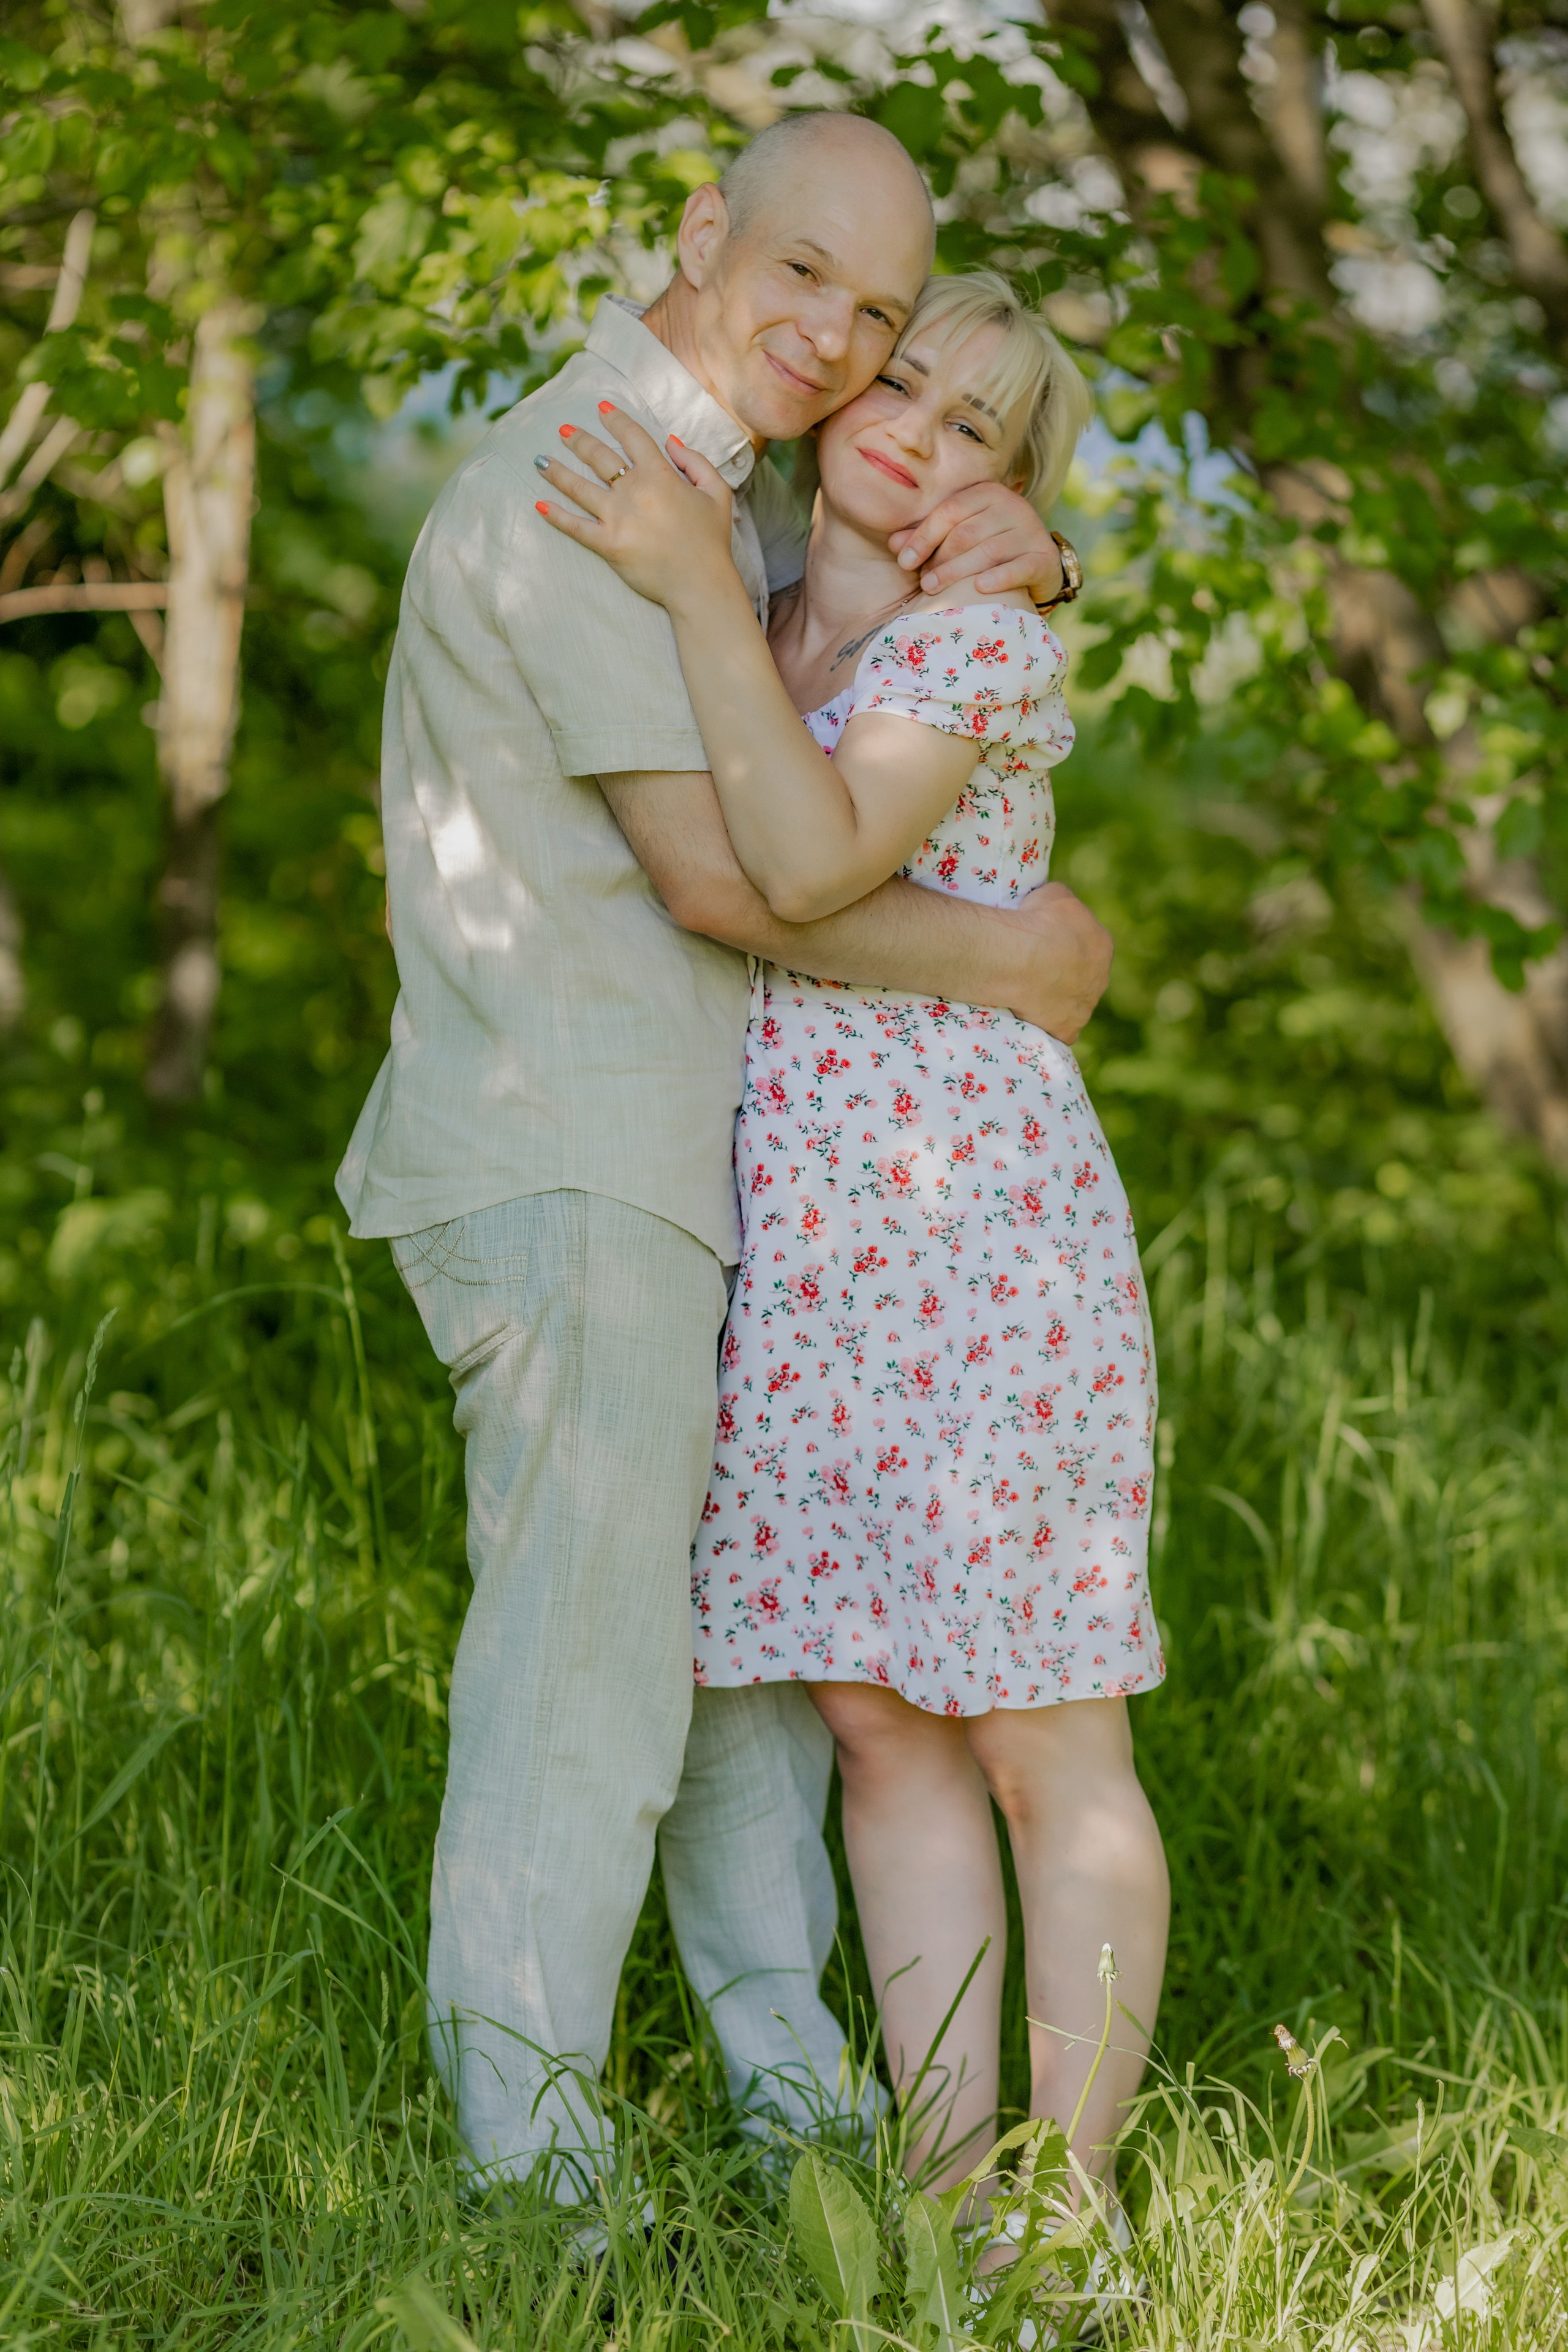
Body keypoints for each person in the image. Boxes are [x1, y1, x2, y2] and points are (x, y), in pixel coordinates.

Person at [337, 111, 1116, 2192]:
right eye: (808, 284)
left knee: (758, 1683)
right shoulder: (593, 487)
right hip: (572, 1146)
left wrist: (1033, 544)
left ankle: (804, 2113)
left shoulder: (740, 477)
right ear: (702, 235)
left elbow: (876, 626)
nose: (844, 347)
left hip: (723, 1182)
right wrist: (1020, 956)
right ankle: (538, 2184)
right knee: (586, 1684)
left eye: (878, 315)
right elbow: (724, 873)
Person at [535, 267, 1168, 2199]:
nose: (920, 429)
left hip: (983, 1245)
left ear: (1013, 489)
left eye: (979, 425)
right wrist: (708, 575)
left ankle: (1065, 2226)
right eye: (901, 380)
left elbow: (807, 863)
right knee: (885, 1734)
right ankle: (952, 2200)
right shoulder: (783, 606)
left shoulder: (972, 651)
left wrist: (708, 581)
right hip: (819, 1263)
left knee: (1046, 1741)